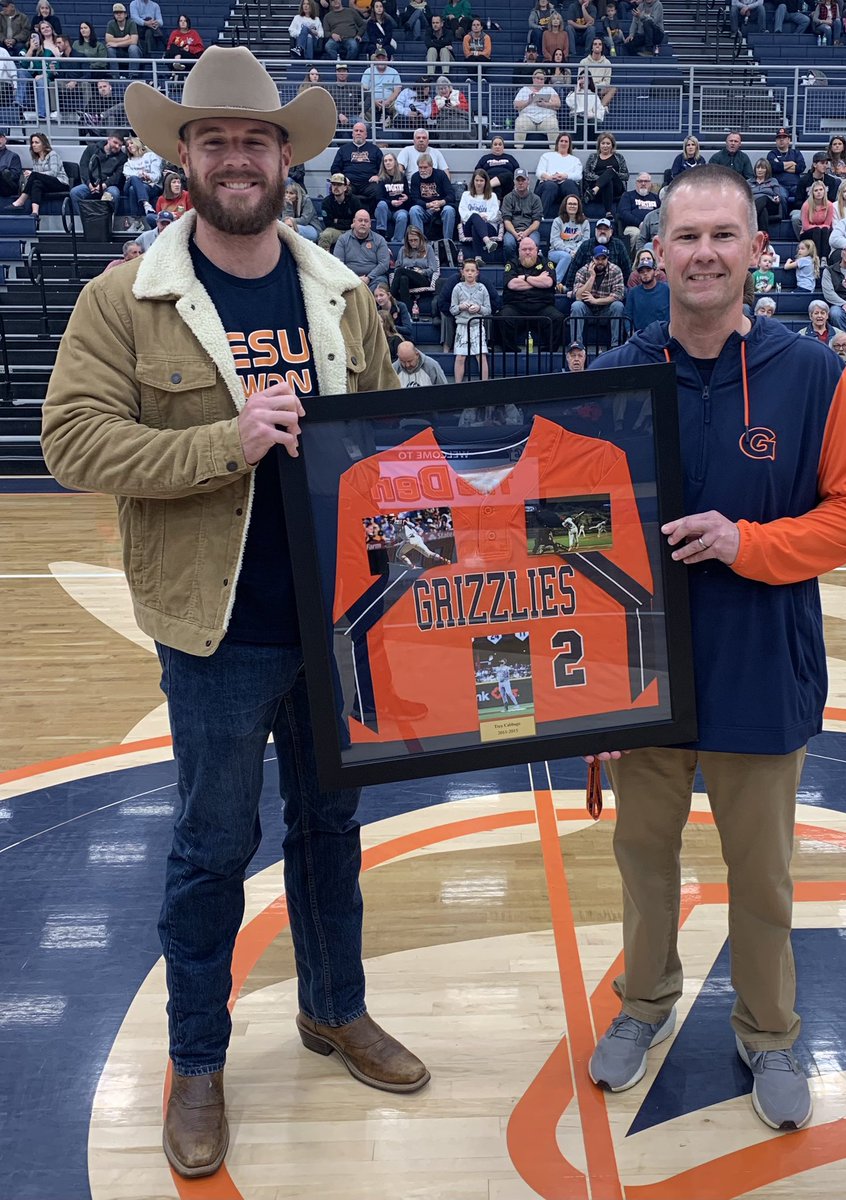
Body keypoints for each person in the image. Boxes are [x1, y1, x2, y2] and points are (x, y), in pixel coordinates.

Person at [41, 45, 427, 1182]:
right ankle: (197, 1063)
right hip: (211, 634)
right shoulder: (126, 298)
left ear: (284, 157)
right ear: (184, 159)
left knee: (330, 835)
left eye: (253, 139)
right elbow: (71, 440)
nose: (235, 156)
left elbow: (393, 448)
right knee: (213, 849)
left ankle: (334, 1009)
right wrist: (228, 441)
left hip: (334, 624)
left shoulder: (342, 293)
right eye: (212, 139)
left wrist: (409, 580)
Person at [587, 164, 846, 1132]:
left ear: (757, 250)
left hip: (761, 665)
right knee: (641, 859)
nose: (704, 253)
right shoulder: (611, 379)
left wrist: (747, 544)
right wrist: (583, 697)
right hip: (642, 674)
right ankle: (642, 1004)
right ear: (657, 253)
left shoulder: (811, 374)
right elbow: (570, 536)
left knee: (760, 874)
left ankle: (767, 1031)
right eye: (686, 237)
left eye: (723, 235)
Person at [499, 235, 564, 350]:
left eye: (530, 249)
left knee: (557, 318)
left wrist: (525, 277)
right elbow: (512, 284)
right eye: (524, 249)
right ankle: (510, 352)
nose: (527, 252)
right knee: (504, 317)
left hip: (542, 306)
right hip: (516, 306)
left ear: (536, 250)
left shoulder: (546, 263)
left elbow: (548, 283)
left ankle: (550, 351)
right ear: (519, 251)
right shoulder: (512, 264)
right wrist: (538, 280)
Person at [568, 243, 626, 347]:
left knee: (618, 306)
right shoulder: (583, 271)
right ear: (592, 259)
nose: (600, 262)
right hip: (588, 311)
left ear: (607, 258)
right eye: (597, 258)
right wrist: (592, 277)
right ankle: (576, 345)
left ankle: (616, 345)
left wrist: (595, 301)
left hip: (606, 311)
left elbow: (618, 295)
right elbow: (578, 296)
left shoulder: (615, 270)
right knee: (577, 305)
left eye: (603, 259)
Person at [450, 257, 491, 381]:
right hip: (462, 326)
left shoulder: (482, 288)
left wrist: (479, 308)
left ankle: (484, 384)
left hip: (477, 326)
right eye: (467, 270)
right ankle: (458, 385)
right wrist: (461, 307)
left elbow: (488, 309)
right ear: (462, 272)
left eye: (472, 270)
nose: (469, 273)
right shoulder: (457, 288)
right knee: (460, 357)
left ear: (477, 273)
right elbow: (452, 309)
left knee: (481, 356)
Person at [10, 129, 68, 215]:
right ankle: (35, 212)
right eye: (32, 143)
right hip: (46, 184)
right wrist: (30, 176)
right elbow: (37, 177)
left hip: (60, 183)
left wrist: (34, 174)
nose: (34, 145)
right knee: (36, 183)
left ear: (44, 144)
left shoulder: (52, 154)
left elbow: (53, 173)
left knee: (35, 175)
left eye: (37, 142)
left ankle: (21, 200)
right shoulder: (35, 158)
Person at [329, 120, 382, 212]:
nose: (358, 133)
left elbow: (383, 167)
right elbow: (335, 168)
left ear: (366, 135)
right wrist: (343, 179)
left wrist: (378, 176)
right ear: (352, 134)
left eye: (361, 131)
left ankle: (370, 216)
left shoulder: (375, 150)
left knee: (379, 190)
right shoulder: (343, 149)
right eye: (356, 131)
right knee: (340, 189)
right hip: (350, 183)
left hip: (368, 184)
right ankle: (348, 216)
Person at [334, 206, 391, 288]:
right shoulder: (343, 239)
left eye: (366, 221)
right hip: (348, 278)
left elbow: (384, 264)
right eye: (360, 220)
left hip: (373, 279)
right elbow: (338, 264)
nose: (363, 223)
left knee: (380, 286)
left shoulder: (379, 240)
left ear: (370, 224)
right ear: (354, 222)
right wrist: (354, 278)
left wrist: (369, 277)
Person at [408, 152, 456, 242]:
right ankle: (419, 242)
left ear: (431, 166)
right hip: (425, 208)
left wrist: (441, 203)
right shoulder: (415, 177)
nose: (422, 170)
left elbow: (451, 194)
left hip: (441, 208)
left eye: (425, 167)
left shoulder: (441, 174)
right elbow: (414, 199)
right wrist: (428, 205)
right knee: (414, 210)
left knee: (449, 210)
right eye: (420, 167)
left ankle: (448, 242)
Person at [535, 131, 582, 221]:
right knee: (551, 185)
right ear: (557, 143)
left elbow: (578, 175)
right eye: (561, 141)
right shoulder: (547, 156)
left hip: (565, 186)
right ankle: (540, 216)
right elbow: (539, 172)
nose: (563, 143)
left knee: (569, 184)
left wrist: (565, 176)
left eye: (566, 141)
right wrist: (549, 177)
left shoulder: (575, 160)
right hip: (548, 185)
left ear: (569, 144)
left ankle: (576, 216)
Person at [390, 223, 438, 306]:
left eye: (415, 240)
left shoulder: (428, 248)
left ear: (420, 239)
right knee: (403, 278)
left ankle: (391, 297)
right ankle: (408, 310)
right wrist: (407, 270)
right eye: (410, 240)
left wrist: (421, 271)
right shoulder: (403, 250)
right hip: (407, 277)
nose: (413, 242)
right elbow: (396, 268)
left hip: (422, 278)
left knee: (401, 271)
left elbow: (433, 269)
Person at [582, 131, 628, 216]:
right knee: (607, 182)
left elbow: (626, 175)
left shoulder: (619, 157)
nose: (605, 146)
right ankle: (608, 212)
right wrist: (604, 178)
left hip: (616, 189)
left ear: (612, 145)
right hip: (600, 190)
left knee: (610, 171)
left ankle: (594, 191)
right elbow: (587, 174)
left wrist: (611, 174)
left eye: (608, 143)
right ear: (599, 145)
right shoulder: (593, 157)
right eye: (603, 143)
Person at [501, 167, 544, 258]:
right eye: (518, 180)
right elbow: (506, 221)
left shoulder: (536, 199)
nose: (520, 183)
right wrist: (515, 234)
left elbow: (536, 222)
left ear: (528, 181)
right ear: (514, 182)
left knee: (533, 243)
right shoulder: (508, 198)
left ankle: (532, 268)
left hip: (531, 230)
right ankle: (511, 267)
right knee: (509, 244)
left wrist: (525, 233)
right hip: (512, 230)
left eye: (523, 180)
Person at [513, 68, 561, 148]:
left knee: (553, 124)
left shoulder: (549, 89)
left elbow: (558, 104)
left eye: (542, 79)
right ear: (533, 78)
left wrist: (545, 104)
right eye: (537, 78)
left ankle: (554, 151)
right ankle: (518, 149)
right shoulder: (524, 89)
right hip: (528, 118)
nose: (539, 81)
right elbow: (516, 105)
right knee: (520, 123)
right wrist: (528, 102)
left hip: (546, 119)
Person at [459, 168, 501, 257]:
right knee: (475, 217)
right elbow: (463, 212)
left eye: (481, 180)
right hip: (468, 227)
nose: (478, 183)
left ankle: (478, 258)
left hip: (488, 226)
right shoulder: (466, 195)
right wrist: (477, 217)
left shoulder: (492, 196)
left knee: (476, 226)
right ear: (473, 181)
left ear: (486, 182)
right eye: (476, 180)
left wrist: (484, 217)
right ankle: (487, 242)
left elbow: (494, 213)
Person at [617, 171, 660, 256]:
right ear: (636, 183)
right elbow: (623, 213)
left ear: (650, 184)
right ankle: (636, 261)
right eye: (640, 181)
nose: (643, 184)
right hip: (633, 226)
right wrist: (639, 223)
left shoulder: (656, 198)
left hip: (652, 227)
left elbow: (661, 213)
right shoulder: (628, 195)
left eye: (646, 181)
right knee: (636, 234)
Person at [549, 192, 589, 284]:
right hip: (556, 252)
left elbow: (585, 241)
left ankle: (576, 286)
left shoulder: (585, 222)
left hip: (577, 251)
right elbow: (555, 241)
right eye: (570, 204)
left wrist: (576, 251)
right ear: (565, 206)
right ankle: (555, 283)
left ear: (578, 206)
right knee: (566, 256)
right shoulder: (557, 221)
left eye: (575, 204)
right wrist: (569, 251)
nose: (572, 206)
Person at [623, 252, 669, 329]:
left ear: (656, 272)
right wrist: (630, 332)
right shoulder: (633, 293)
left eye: (648, 270)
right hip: (640, 336)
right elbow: (627, 316)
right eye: (642, 271)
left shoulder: (666, 289)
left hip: (663, 336)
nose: (645, 273)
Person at [374, 149, 410, 240]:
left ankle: (397, 241)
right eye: (385, 161)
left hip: (399, 210)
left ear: (395, 162)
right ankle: (381, 235)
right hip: (385, 211)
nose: (388, 163)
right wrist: (391, 203)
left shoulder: (402, 177)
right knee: (382, 204)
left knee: (402, 216)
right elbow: (378, 198)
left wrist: (407, 198)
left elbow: (408, 195)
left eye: (390, 160)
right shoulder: (381, 179)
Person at [318, 171, 360, 250]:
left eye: (339, 185)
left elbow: (357, 221)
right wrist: (348, 223)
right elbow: (328, 223)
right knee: (325, 235)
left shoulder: (354, 200)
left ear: (345, 187)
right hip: (335, 231)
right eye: (334, 184)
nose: (336, 187)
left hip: (352, 230)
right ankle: (324, 260)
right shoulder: (326, 202)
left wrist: (337, 221)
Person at [360, 48, 401, 125]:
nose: (381, 60)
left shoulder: (394, 72)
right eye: (379, 58)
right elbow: (364, 89)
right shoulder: (368, 71)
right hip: (372, 101)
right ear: (375, 59)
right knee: (363, 105)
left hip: (389, 101)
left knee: (398, 105)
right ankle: (371, 126)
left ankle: (391, 122)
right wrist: (374, 101)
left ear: (387, 59)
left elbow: (397, 90)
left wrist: (388, 101)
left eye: (383, 58)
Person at [766, 127, 805, 206]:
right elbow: (774, 167)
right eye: (779, 138)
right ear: (776, 141)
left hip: (795, 185)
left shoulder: (796, 153)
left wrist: (781, 166)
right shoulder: (772, 154)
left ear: (789, 140)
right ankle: (782, 218)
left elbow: (801, 167)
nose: (781, 140)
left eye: (784, 137)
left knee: (804, 195)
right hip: (780, 185)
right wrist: (791, 163)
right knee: (781, 197)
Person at [749, 158, 785, 231]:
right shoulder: (749, 182)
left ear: (767, 170)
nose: (759, 170)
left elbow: (777, 195)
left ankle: (750, 218)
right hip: (753, 205)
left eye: (762, 168)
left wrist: (777, 199)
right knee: (763, 211)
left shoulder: (773, 181)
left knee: (764, 198)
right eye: (758, 168)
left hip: (771, 205)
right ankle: (765, 238)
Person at [105, 3, 141, 74]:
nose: (118, 14)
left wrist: (116, 44)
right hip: (119, 51)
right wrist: (125, 39)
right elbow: (108, 40)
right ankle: (114, 75)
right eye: (116, 13)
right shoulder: (111, 23)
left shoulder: (131, 23)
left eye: (121, 12)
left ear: (125, 14)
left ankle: (133, 75)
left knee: (133, 48)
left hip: (132, 51)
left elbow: (134, 41)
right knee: (110, 49)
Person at [0, 129, 22, 197]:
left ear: (5, 139)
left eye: (0, 137)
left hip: (7, 186)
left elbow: (15, 176)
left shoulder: (13, 156)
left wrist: (3, 171)